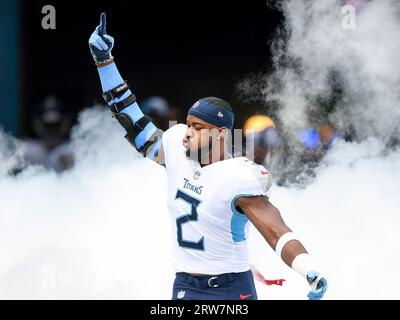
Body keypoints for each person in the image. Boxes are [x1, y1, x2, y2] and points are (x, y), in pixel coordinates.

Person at [88, 13, 328, 300]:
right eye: (188, 124)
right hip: (185, 286)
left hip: (231, 289)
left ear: (221, 134)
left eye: (198, 127)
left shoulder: (239, 176)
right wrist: (105, 62)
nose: (187, 132)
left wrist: (308, 268)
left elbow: (276, 231)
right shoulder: (177, 146)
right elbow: (131, 120)